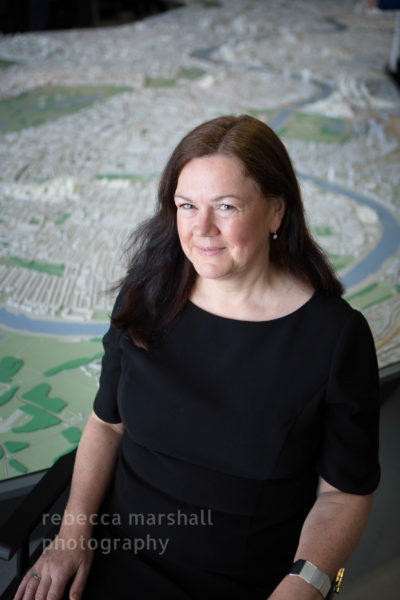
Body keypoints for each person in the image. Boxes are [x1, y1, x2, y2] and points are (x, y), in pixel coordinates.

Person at [15, 115, 380, 600]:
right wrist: (71, 537)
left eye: (226, 206)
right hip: (112, 559)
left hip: (244, 583)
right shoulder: (146, 296)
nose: (201, 229)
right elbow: (107, 425)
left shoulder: (335, 337)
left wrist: (305, 585)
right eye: (187, 206)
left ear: (276, 212)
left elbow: (343, 493)